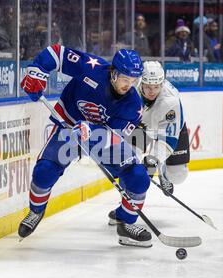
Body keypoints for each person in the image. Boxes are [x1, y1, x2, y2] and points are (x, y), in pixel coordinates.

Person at [19, 45, 154, 248]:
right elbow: (57, 53)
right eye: (126, 79)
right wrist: (37, 71)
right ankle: (36, 211)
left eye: (134, 80)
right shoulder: (92, 68)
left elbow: (116, 137)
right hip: (69, 126)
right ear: (114, 73)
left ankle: (125, 223)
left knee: (138, 177)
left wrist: (91, 130)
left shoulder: (133, 104)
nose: (129, 85)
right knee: (44, 171)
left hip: (103, 139)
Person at [108, 61, 190, 225]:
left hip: (169, 131)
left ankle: (164, 170)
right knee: (129, 167)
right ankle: (126, 207)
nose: (152, 91)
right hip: (141, 128)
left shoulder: (171, 100)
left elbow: (168, 139)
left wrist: (155, 158)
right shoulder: (130, 91)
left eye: (156, 87)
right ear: (140, 82)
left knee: (178, 175)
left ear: (162, 83)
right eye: (147, 86)